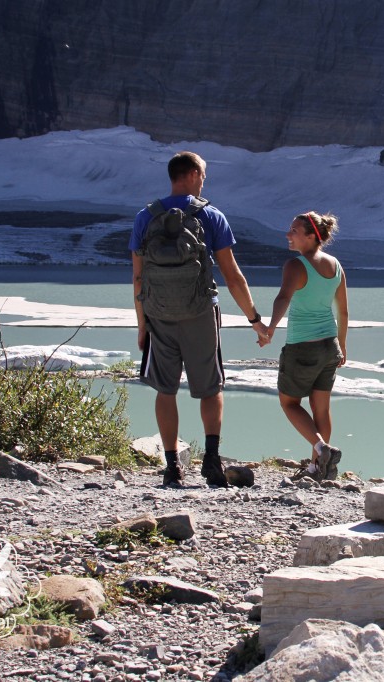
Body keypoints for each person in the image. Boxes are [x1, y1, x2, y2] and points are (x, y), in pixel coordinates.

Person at [130, 151, 266, 487]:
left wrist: (142, 324)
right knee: (210, 387)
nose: (205, 179)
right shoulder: (211, 215)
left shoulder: (145, 218)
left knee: (165, 389)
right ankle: (211, 460)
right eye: (203, 173)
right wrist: (254, 318)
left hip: (159, 314)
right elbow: (232, 275)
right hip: (201, 312)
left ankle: (172, 466)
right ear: (191, 174)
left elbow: (137, 278)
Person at [262, 211, 349, 481]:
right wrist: (342, 347)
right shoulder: (335, 265)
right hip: (329, 346)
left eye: (295, 231)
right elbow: (343, 312)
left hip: (302, 347)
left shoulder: (296, 266)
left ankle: (322, 449)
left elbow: (283, 297)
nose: (288, 235)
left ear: (312, 237)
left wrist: (270, 328)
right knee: (321, 408)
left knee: (289, 403)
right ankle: (317, 469)